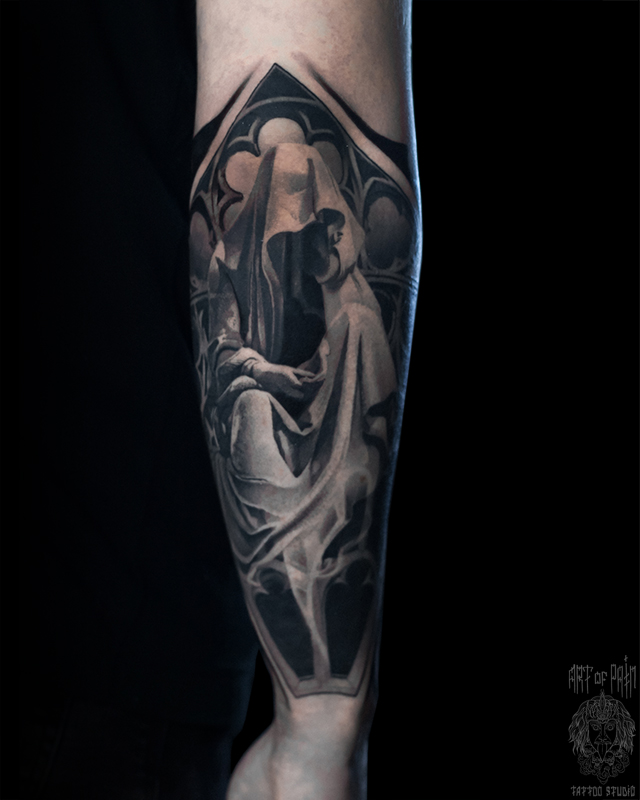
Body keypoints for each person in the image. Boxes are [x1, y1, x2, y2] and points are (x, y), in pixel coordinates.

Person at [19, 0, 420, 797]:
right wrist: (320, 729)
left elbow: (305, 83)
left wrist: (321, 721)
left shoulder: (332, 316)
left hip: (92, 656)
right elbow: (309, 72)